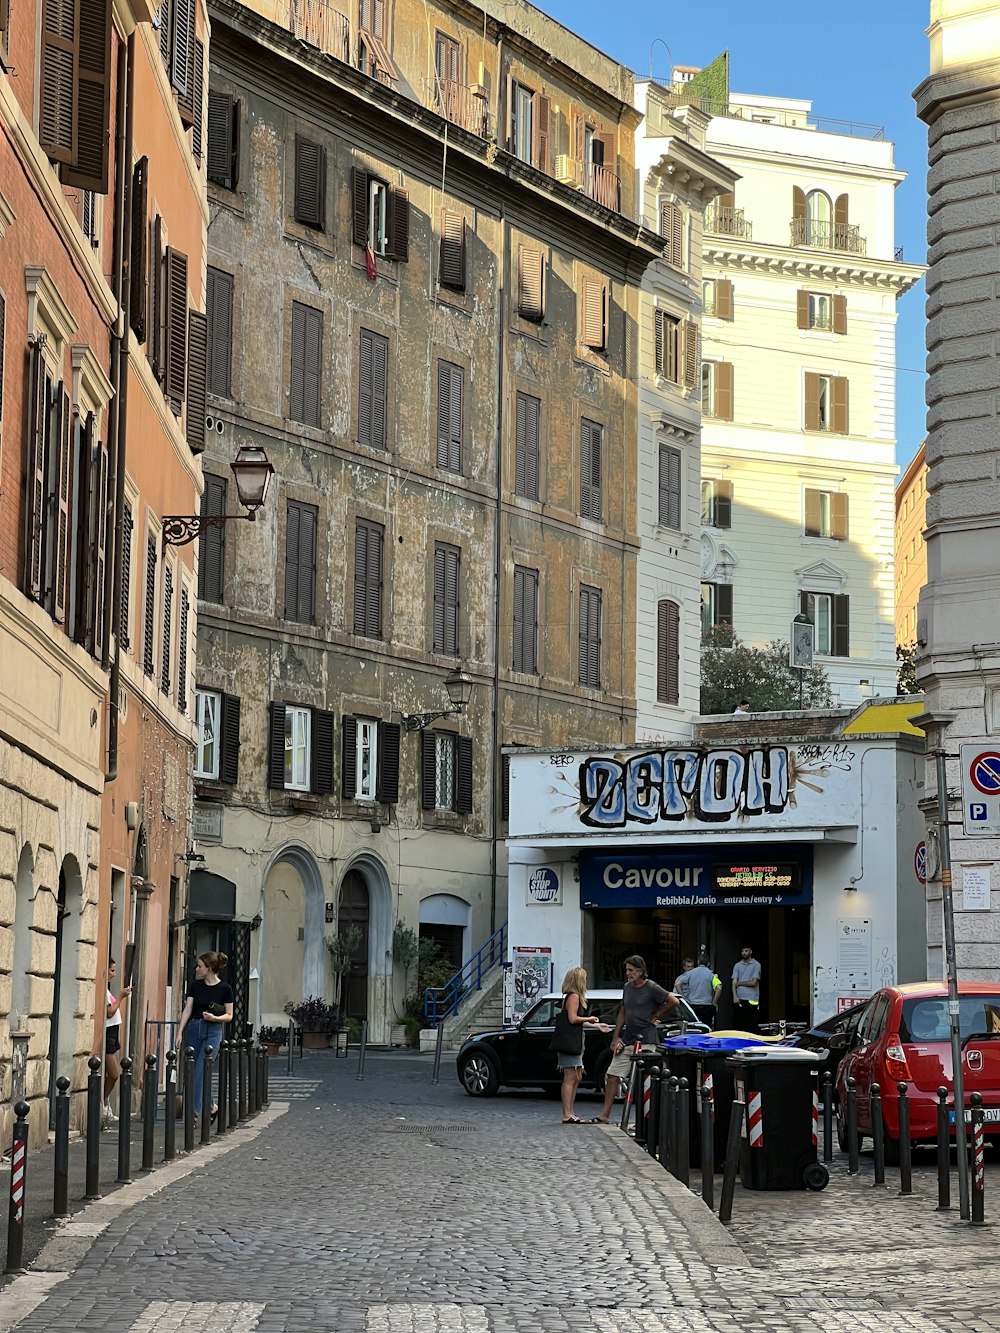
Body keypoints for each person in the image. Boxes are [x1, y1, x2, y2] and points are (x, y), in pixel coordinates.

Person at [595, 955, 678, 1125]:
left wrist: (656, 1014)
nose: (628, 973)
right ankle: (605, 1114)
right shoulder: (627, 987)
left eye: (631, 970)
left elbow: (673, 1001)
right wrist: (616, 1036)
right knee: (612, 1074)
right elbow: (623, 1012)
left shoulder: (652, 987)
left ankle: (646, 1120)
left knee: (645, 1079)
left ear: (640, 971)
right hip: (628, 1039)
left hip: (646, 1039)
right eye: (627, 970)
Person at [177, 952, 234, 1119]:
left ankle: (193, 1114)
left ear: (209, 968)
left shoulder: (225, 989)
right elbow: (187, 1009)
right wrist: (180, 1032)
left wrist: (215, 1018)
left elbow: (229, 1015)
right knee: (194, 1071)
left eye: (200, 966)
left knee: (201, 1069)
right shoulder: (195, 986)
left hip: (214, 1031)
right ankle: (211, 1107)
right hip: (195, 1028)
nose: (197, 969)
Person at [555, 967, 605, 1124]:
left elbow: (575, 1022)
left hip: (574, 1040)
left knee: (576, 1076)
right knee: (570, 1077)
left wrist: (596, 1025)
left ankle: (570, 1111)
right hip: (571, 1042)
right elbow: (572, 1019)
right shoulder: (574, 996)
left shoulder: (571, 996)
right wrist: (589, 1019)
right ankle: (567, 1112)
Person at [103, 959, 132, 1126]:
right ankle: (104, 1103)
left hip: (113, 1034)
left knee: (111, 1074)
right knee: (115, 1074)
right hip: (108, 1035)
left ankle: (105, 1105)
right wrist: (121, 997)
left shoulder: (107, 990)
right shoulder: (105, 992)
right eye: (112, 970)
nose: (114, 974)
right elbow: (109, 1012)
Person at [732, 945, 762, 1032]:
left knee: (752, 1025)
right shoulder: (737, 965)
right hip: (739, 999)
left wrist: (739, 983)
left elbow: (754, 983)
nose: (744, 953)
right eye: (742, 951)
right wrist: (735, 996)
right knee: (740, 1025)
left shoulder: (756, 964)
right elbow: (733, 982)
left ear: (750, 952)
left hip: (752, 999)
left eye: (746, 950)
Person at [685, 954, 721, 1029]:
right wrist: (714, 1002)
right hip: (706, 1006)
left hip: (692, 1005)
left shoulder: (690, 973)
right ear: (708, 964)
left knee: (693, 1028)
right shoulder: (711, 975)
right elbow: (719, 988)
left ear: (698, 962)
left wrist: (685, 999)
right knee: (706, 1028)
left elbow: (678, 983)